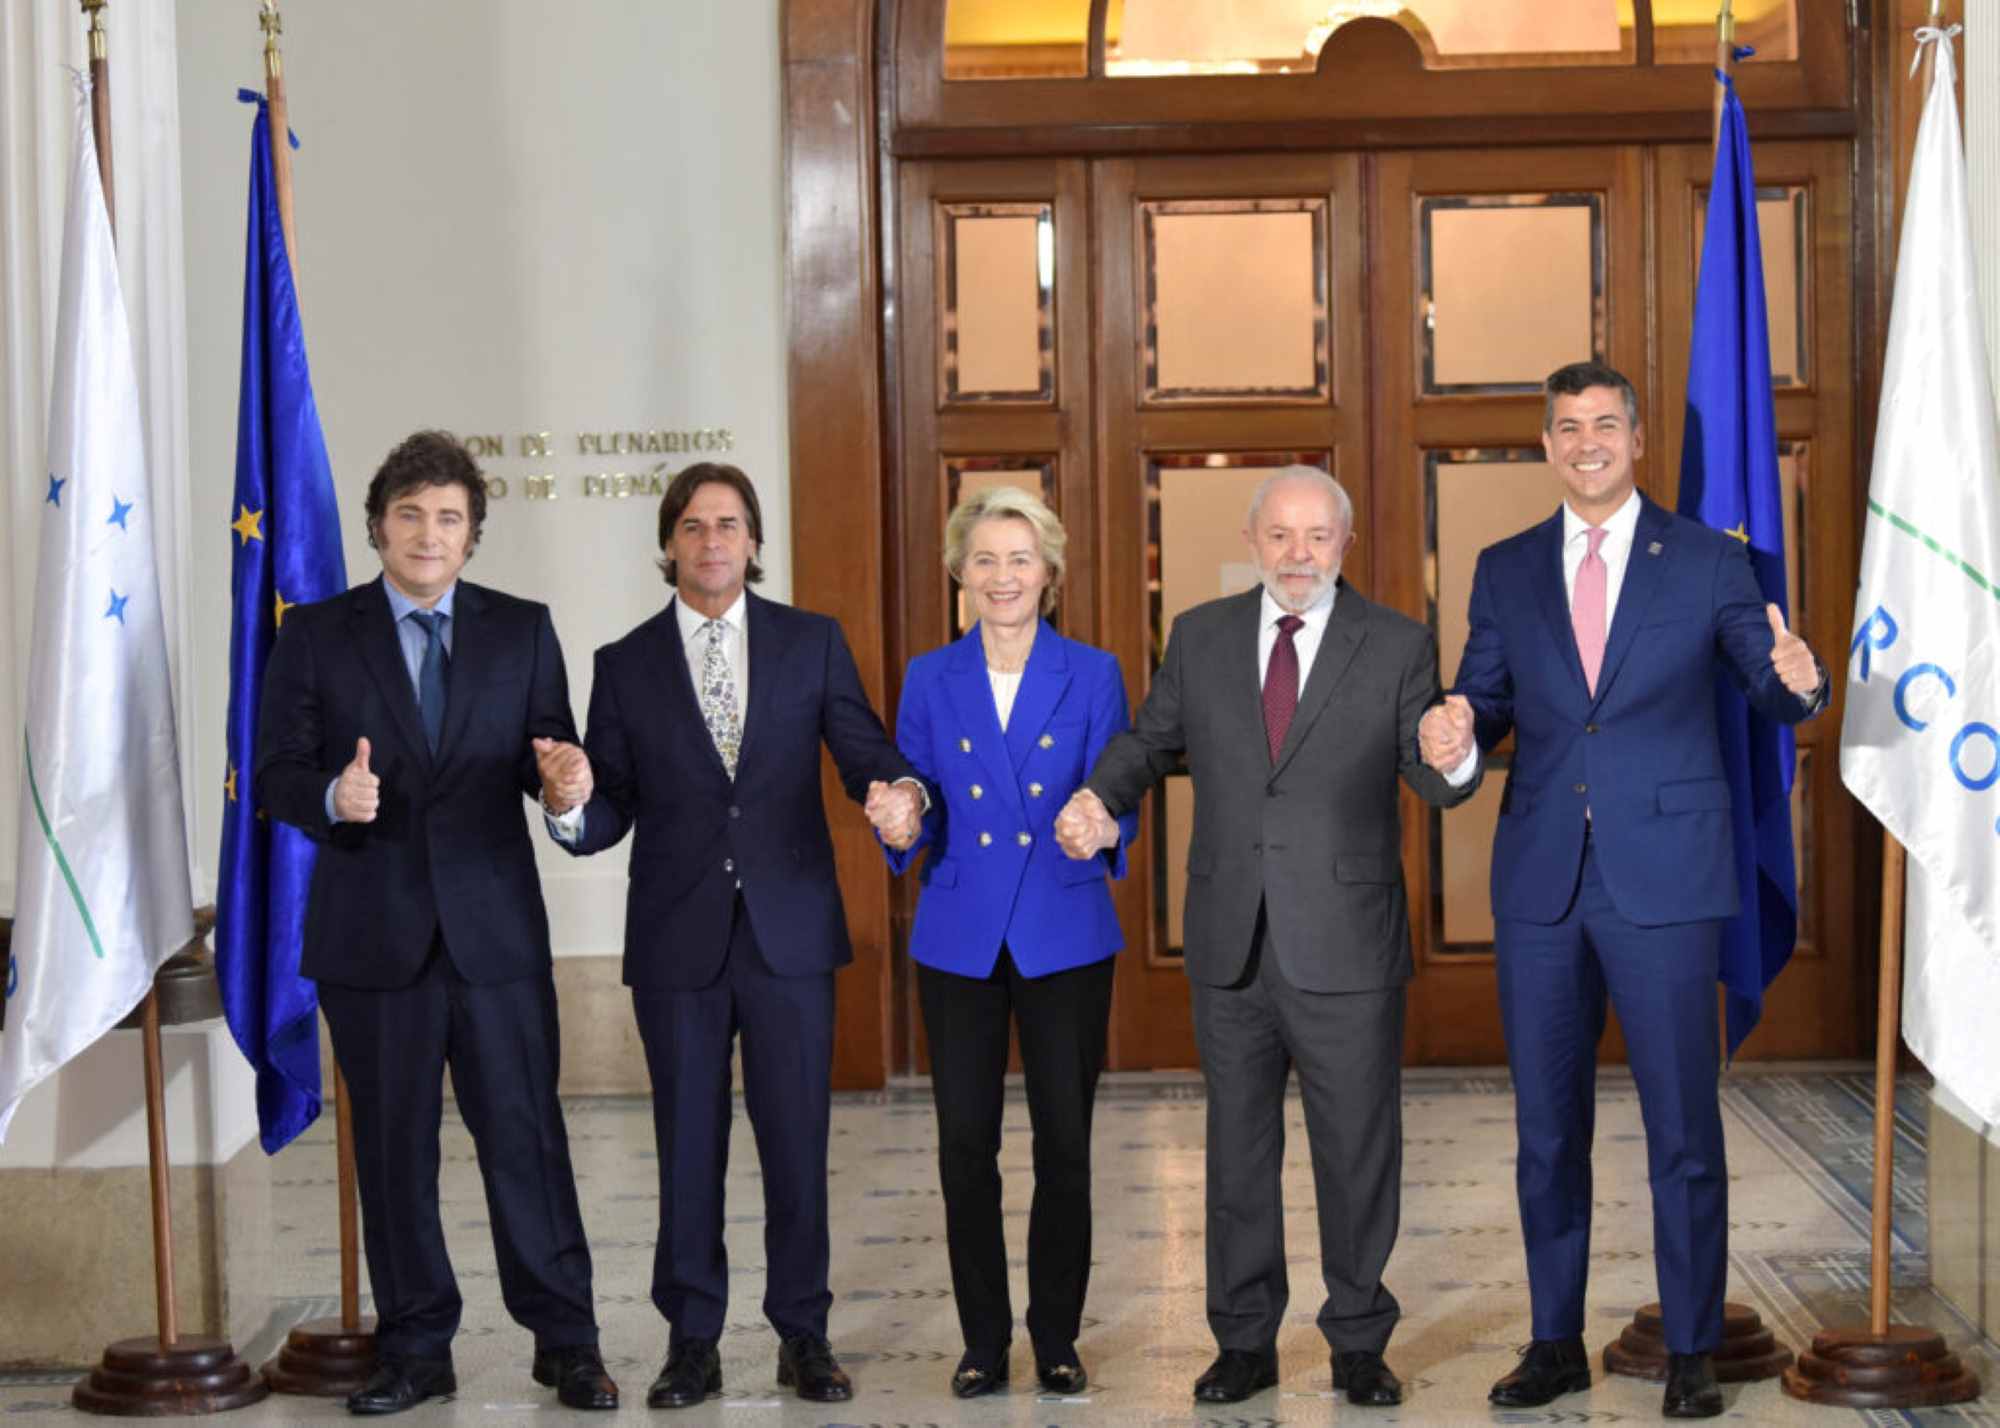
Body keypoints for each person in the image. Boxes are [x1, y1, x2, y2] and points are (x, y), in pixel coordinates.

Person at [1427, 361, 1826, 1419]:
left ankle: (1691, 1347)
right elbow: (1482, 700)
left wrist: (1797, 679)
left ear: (1636, 439)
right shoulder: (1504, 568)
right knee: (1545, 1129)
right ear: (1546, 444)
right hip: (1542, 883)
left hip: (1666, 879)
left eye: (1604, 424)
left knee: (1680, 1125)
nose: (1586, 442)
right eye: (1566, 427)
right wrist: (1453, 737)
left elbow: (1762, 672)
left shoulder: (1704, 560)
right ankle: (1552, 1339)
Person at [1056, 466, 1477, 1409]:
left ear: (1345, 546)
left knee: (1357, 1148)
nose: (1298, 555)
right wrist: (1097, 795)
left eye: (1317, 537)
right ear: (1254, 541)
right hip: (1231, 939)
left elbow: (1435, 774)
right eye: (1281, 535)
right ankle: (1242, 1340)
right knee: (1237, 1149)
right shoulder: (1200, 637)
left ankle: (1360, 1340)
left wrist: (1460, 752)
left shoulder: (1397, 643)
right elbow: (1149, 739)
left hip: (1349, 944)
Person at [547, 461, 928, 1410]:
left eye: (729, 524)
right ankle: (692, 1341)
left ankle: (804, 1333)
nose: (711, 540)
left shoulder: (811, 643)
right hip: (677, 943)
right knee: (686, 1145)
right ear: (669, 544)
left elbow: (867, 755)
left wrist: (899, 796)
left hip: (790, 933)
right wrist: (568, 805)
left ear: (754, 543)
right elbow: (610, 810)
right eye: (693, 525)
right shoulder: (625, 663)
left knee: (796, 1140)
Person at [257, 431, 616, 1415]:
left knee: (526, 1140)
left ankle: (567, 1340)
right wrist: (334, 795)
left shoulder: (522, 629)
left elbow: (551, 756)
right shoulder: (318, 634)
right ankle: (416, 1348)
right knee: (393, 1152)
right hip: (372, 943)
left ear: (472, 536)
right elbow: (276, 774)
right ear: (379, 526)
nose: (427, 533)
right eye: (410, 513)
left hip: (494, 938)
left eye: (448, 517)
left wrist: (565, 783)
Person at [878, 486, 1138, 1399]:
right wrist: (900, 812)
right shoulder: (928, 675)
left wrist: (1104, 823)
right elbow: (913, 789)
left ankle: (1057, 1336)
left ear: (1050, 574)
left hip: (1063, 931)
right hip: (960, 936)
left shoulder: (1095, 672)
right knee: (965, 1146)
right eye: (984, 560)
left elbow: (1120, 783)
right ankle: (983, 1339)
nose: (1002, 576)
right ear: (960, 573)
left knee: (1065, 1143)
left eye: (1019, 559)